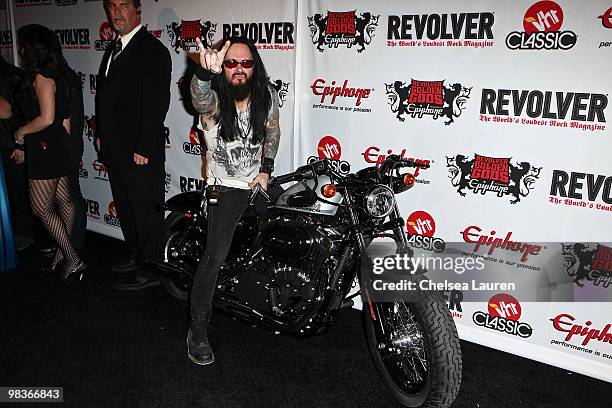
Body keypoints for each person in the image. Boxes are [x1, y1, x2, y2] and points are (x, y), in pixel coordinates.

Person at [188, 36, 281, 365]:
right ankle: (197, 333)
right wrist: (203, 72)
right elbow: (198, 99)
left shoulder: (266, 95)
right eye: (231, 63)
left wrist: (267, 170)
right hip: (224, 188)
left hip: (256, 182)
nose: (239, 69)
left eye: (245, 63)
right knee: (213, 259)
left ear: (254, 66)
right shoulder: (214, 98)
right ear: (223, 67)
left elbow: (272, 130)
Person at [95, 0, 171, 290]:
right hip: (115, 149)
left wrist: (144, 147)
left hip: (140, 152)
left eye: (124, 5)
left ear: (138, 10)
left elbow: (156, 105)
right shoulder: (113, 49)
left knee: (146, 211)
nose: (117, 12)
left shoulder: (152, 50)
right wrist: (101, 132)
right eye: (112, 6)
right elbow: (105, 97)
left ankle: (153, 269)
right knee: (126, 208)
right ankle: (138, 256)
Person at [13, 24, 85, 283]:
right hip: (58, 146)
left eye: (23, 44)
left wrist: (21, 133)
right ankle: (61, 254)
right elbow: (64, 119)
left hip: (45, 147)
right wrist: (67, 148)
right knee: (64, 201)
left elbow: (46, 118)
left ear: (32, 47)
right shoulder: (59, 73)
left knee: (41, 207)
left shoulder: (43, 76)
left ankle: (73, 258)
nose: (20, 49)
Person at [0, 56, 33, 252]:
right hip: (9, 142)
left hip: (11, 144)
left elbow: (24, 112)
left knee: (17, 192)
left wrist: (21, 146)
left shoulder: (11, 76)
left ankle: (24, 234)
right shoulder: (13, 74)